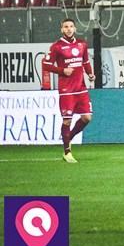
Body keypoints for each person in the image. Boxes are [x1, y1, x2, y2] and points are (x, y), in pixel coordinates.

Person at [43, 18, 95, 164]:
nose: (69, 29)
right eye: (66, 27)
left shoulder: (82, 44)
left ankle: (68, 138)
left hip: (81, 88)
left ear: (75, 28)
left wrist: (90, 74)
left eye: (71, 26)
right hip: (67, 90)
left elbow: (85, 62)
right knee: (67, 120)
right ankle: (67, 152)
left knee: (87, 118)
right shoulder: (57, 47)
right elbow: (46, 65)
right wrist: (62, 70)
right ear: (62, 29)